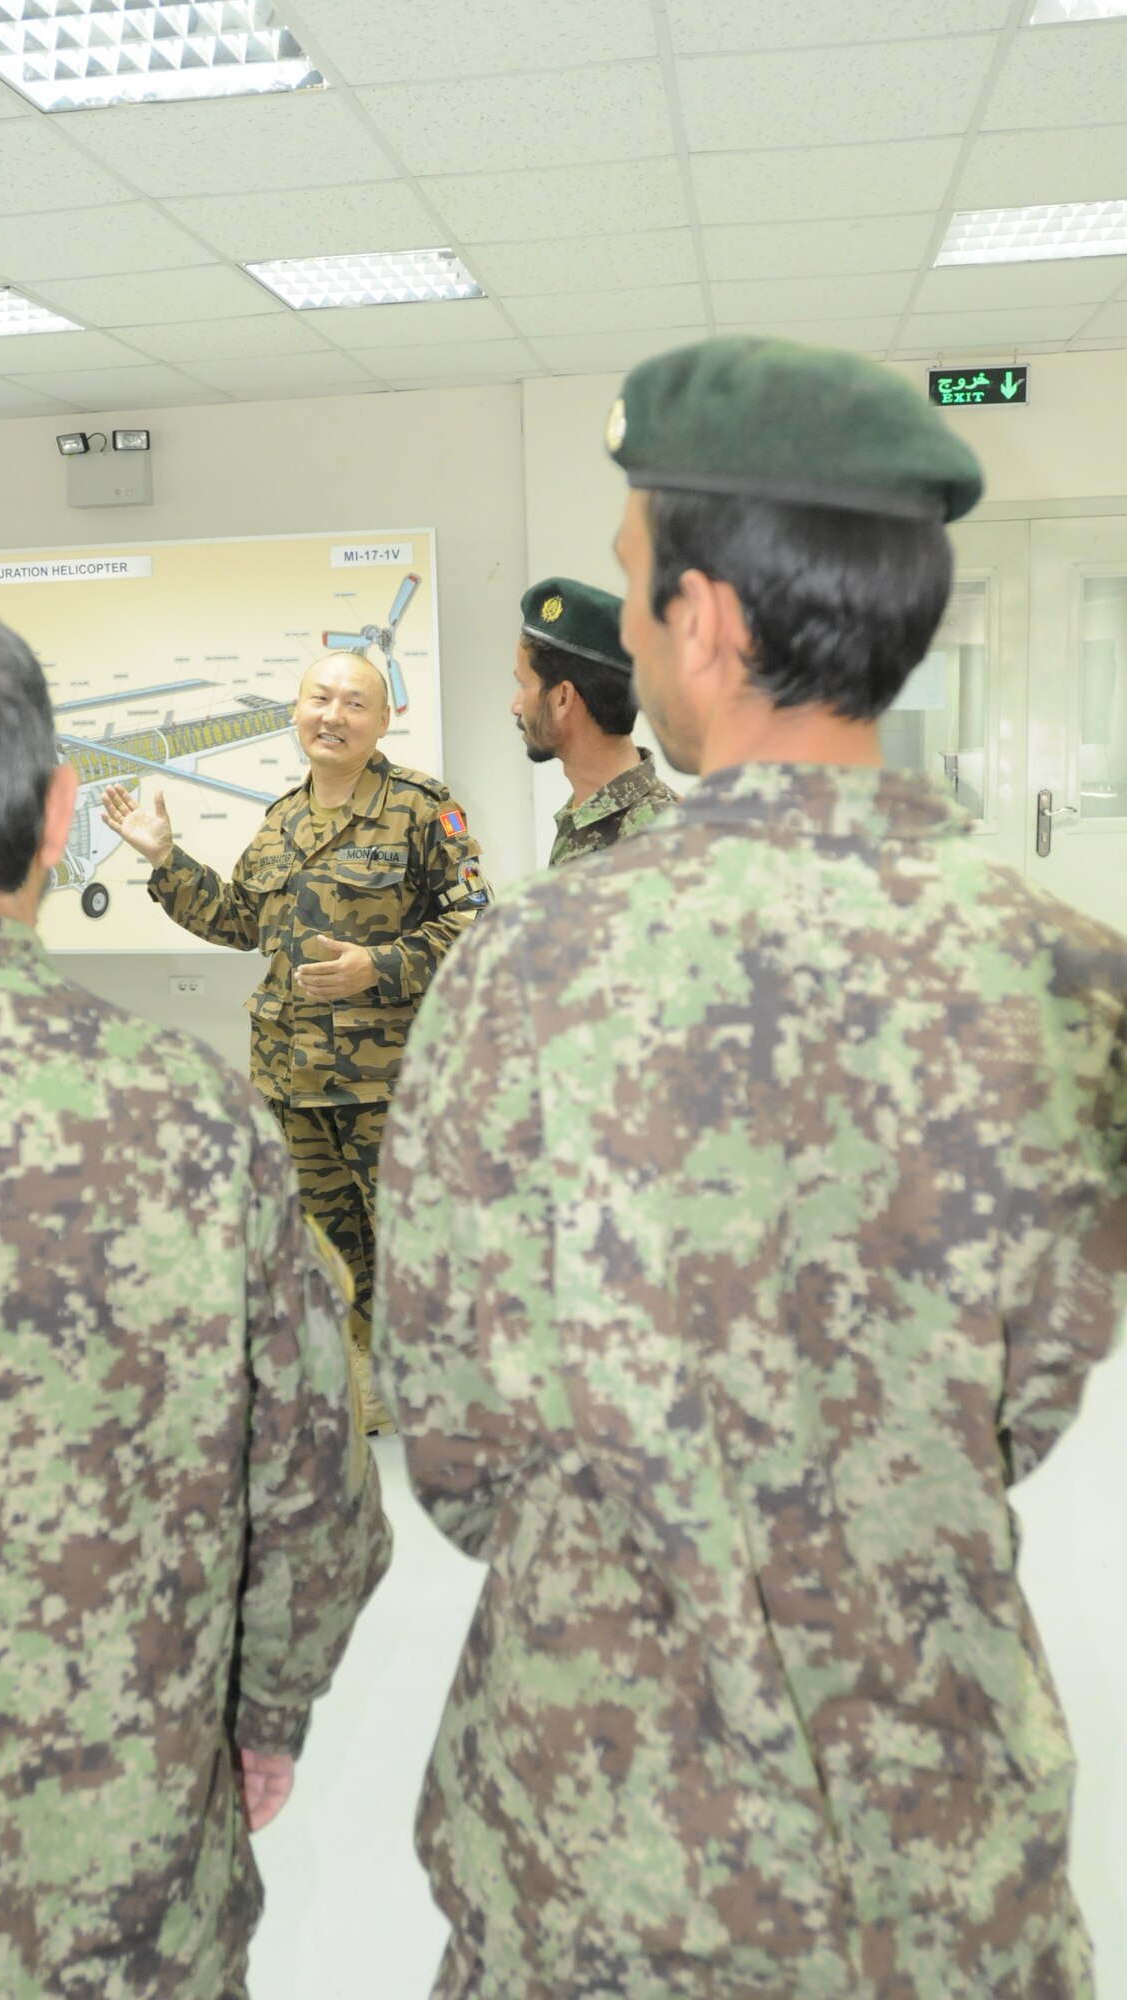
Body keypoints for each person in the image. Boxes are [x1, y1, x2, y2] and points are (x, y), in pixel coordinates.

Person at [374, 338, 1127, 1999]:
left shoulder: (523, 973)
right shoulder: (1073, 981)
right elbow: (1029, 1395)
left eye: (639, 594)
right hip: (930, 1817)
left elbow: (452, 1435)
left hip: (599, 1817)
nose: (634, 628)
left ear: (704, 625)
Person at [0, 586, 390, 2000]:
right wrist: (264, 1715)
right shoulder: (191, 1122)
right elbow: (319, 1495)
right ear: (61, 818)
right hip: (118, 1896)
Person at [102, 652, 490, 1437]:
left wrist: (374, 968)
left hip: (390, 1082)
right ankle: (364, 1380)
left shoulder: (422, 808)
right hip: (293, 1082)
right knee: (330, 1250)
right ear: (296, 711)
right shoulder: (281, 818)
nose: (333, 715)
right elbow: (242, 920)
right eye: (320, 698)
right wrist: (165, 860)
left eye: (354, 703)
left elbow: (474, 920)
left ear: (384, 722)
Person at [511, 574, 677, 865]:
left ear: (563, 698)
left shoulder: (658, 839)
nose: (515, 706)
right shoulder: (585, 813)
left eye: (524, 686)